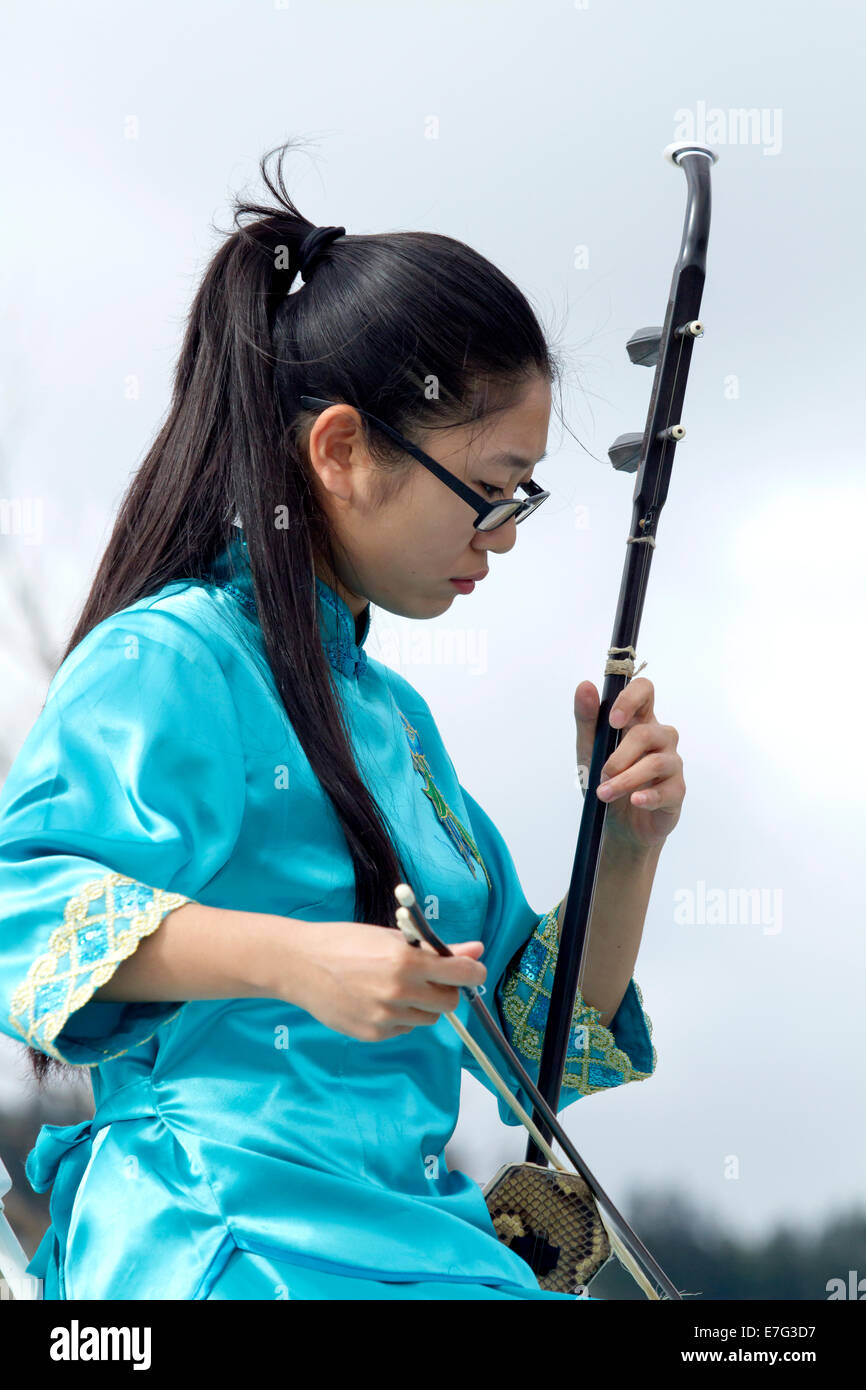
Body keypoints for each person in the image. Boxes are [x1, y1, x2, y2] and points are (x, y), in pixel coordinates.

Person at [0, 141, 685, 1301]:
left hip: (415, 1237)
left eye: (521, 496)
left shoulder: (395, 725)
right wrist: (295, 959)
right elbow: (21, 908)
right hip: (215, 1232)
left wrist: (624, 843)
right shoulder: (171, 657)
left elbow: (531, 1049)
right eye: (487, 490)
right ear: (340, 450)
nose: (502, 534)